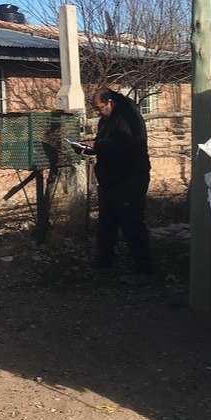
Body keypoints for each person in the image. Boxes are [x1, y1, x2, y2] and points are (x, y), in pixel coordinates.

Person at [74, 88, 155, 283]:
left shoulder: (129, 118)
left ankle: (145, 270)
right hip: (110, 179)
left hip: (129, 178)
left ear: (109, 102)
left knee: (132, 223)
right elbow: (106, 144)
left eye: (99, 108)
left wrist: (97, 146)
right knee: (106, 224)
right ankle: (104, 265)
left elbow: (125, 143)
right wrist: (88, 148)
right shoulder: (107, 120)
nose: (98, 112)